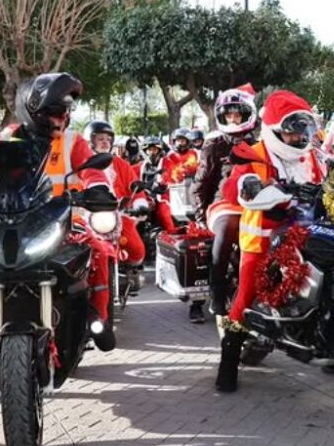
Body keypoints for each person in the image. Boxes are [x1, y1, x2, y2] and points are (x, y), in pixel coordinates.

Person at [0, 73, 118, 404]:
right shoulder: (8, 138)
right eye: (54, 111)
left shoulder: (72, 142)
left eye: (64, 111)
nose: (61, 118)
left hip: (61, 220)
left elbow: (93, 171)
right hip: (13, 223)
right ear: (33, 110)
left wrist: (98, 188)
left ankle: (99, 319)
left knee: (100, 249)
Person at [215, 90, 323, 392]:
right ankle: (228, 364)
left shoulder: (312, 155)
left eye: (304, 129)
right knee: (246, 295)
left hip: (306, 234)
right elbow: (234, 184)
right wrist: (248, 186)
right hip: (262, 239)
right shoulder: (254, 152)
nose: (298, 137)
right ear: (276, 129)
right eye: (292, 131)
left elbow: (328, 178)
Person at [192, 84, 257, 322]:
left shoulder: (260, 143)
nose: (233, 118)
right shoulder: (213, 144)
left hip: (255, 205)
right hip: (223, 205)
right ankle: (217, 293)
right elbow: (199, 185)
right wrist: (199, 217)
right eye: (228, 114)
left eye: (237, 114)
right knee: (229, 224)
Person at [84, 121, 147, 268]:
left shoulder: (121, 164)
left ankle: (128, 272)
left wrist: (140, 205)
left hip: (117, 215)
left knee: (137, 251)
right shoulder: (81, 162)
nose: (105, 142)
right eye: (100, 139)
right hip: (88, 218)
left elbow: (135, 188)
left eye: (108, 139)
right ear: (90, 141)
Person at [135, 136, 176, 233]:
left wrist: (165, 184)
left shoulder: (168, 163)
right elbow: (130, 179)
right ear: (145, 152)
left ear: (160, 151)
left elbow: (175, 176)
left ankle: (172, 236)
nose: (152, 153)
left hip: (164, 198)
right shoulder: (139, 166)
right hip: (145, 198)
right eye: (150, 150)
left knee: (164, 213)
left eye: (155, 149)